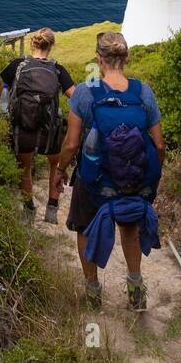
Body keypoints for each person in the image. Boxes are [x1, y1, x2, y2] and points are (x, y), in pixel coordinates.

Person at [54, 31, 165, 311]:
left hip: (94, 181)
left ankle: (93, 292)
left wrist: (60, 170)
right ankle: (136, 287)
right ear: (126, 58)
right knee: (129, 227)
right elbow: (160, 145)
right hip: (133, 179)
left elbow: (71, 143)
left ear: (98, 59)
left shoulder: (84, 92)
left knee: (84, 228)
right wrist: (150, 177)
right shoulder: (143, 92)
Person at [0, 28, 75, 223]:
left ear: (33, 43)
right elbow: (75, 96)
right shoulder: (57, 69)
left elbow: (2, 90)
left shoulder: (18, 65)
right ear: (51, 46)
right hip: (50, 130)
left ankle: (28, 209)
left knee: (24, 168)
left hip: (23, 126)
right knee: (55, 166)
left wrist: (5, 112)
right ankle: (51, 210)